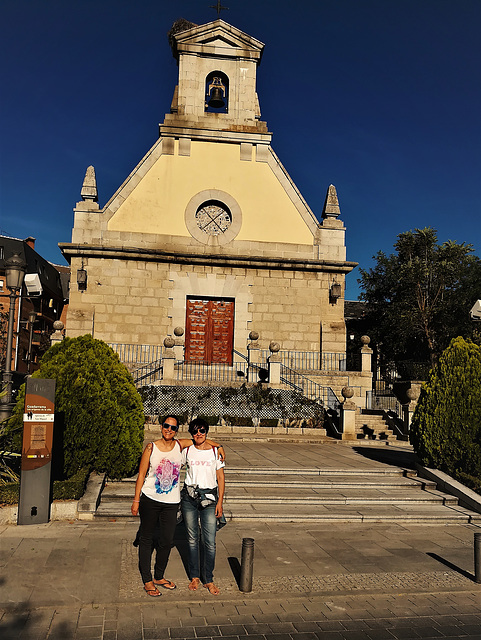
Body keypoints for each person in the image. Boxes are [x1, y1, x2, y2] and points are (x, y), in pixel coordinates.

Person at [131, 415, 225, 597]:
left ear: (176, 430)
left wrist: (219, 446)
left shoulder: (182, 446)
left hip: (175, 502)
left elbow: (199, 440)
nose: (169, 429)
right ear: (161, 427)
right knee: (148, 539)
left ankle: (160, 576)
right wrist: (136, 500)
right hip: (152, 499)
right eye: (166, 426)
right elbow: (141, 475)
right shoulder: (153, 448)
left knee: (168, 541)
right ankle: (148, 580)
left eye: (173, 427)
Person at [181, 417, 225, 595]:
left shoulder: (215, 452)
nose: (198, 434)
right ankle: (194, 576)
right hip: (189, 498)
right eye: (195, 431)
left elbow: (220, 478)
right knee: (192, 540)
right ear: (191, 433)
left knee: (210, 542)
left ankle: (208, 578)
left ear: (207, 431)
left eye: (202, 430)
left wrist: (220, 502)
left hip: (210, 498)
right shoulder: (188, 451)